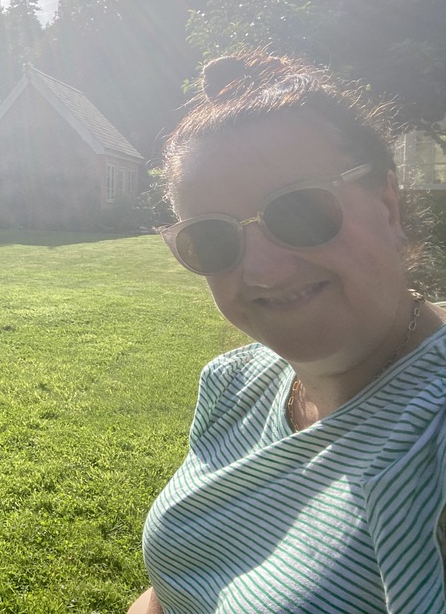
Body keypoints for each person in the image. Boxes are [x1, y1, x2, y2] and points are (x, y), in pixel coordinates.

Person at [128, 52, 446, 613]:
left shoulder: (431, 434)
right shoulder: (234, 383)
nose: (263, 272)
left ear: (388, 207)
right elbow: (176, 588)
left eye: (299, 211)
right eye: (213, 238)